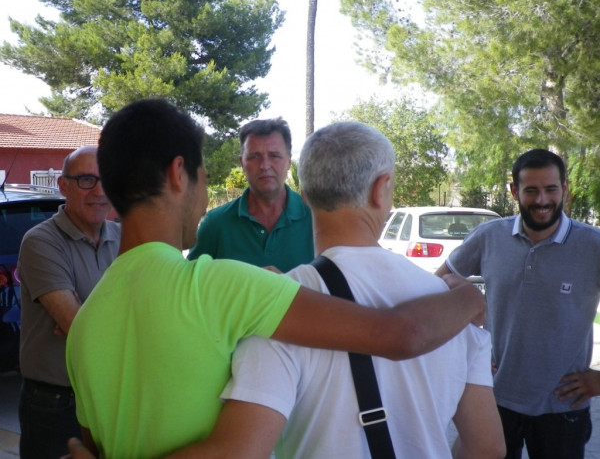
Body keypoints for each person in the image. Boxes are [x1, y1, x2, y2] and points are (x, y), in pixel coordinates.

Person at [65, 99, 486, 458]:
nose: (205, 195)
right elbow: (401, 334)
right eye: (205, 178)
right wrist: (469, 299)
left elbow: (95, 445)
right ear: (179, 174)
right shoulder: (218, 286)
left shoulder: (84, 323)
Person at [161, 121, 505, 458]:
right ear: (380, 189)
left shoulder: (276, 308)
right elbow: (488, 447)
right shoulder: (450, 309)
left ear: (306, 193)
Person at [436, 148, 600, 459]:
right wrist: (467, 351)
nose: (542, 201)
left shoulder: (592, 245)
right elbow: (436, 287)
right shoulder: (489, 236)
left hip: (562, 406)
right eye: (531, 190)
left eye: (551, 189)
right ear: (514, 191)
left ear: (564, 189)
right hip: (494, 398)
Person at [17, 145, 120, 459]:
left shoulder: (126, 235)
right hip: (55, 403)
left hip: (110, 395)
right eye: (87, 180)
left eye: (107, 180)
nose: (99, 192)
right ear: (63, 186)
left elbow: (152, 310)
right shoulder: (41, 241)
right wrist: (96, 320)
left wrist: (90, 316)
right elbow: (78, 328)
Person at [187, 117, 313, 271]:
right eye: (254, 157)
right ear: (242, 163)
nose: (264, 165)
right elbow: (191, 287)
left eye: (274, 156)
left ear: (288, 161)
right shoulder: (216, 224)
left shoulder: (315, 219)